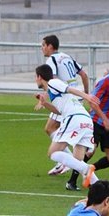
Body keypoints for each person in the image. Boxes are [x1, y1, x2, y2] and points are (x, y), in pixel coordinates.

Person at [34, 64, 109, 189]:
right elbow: (59, 111)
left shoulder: (53, 82)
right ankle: (101, 189)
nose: (35, 80)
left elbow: (69, 89)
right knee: (77, 161)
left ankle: (87, 168)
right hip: (85, 121)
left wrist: (87, 96)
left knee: (53, 153)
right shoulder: (53, 92)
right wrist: (44, 103)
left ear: (39, 77)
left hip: (75, 119)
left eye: (35, 77)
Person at [67, 57, 109, 191]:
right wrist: (104, 119)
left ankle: (91, 169)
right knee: (89, 151)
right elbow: (92, 102)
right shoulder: (105, 82)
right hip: (96, 122)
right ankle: (71, 181)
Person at [41, 34, 90, 176]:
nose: (42, 49)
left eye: (43, 45)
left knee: (50, 128)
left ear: (50, 46)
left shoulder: (52, 60)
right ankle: (68, 160)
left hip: (65, 99)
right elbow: (84, 75)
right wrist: (85, 94)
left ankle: (65, 161)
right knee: (51, 127)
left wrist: (46, 96)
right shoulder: (67, 56)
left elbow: (53, 80)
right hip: (76, 97)